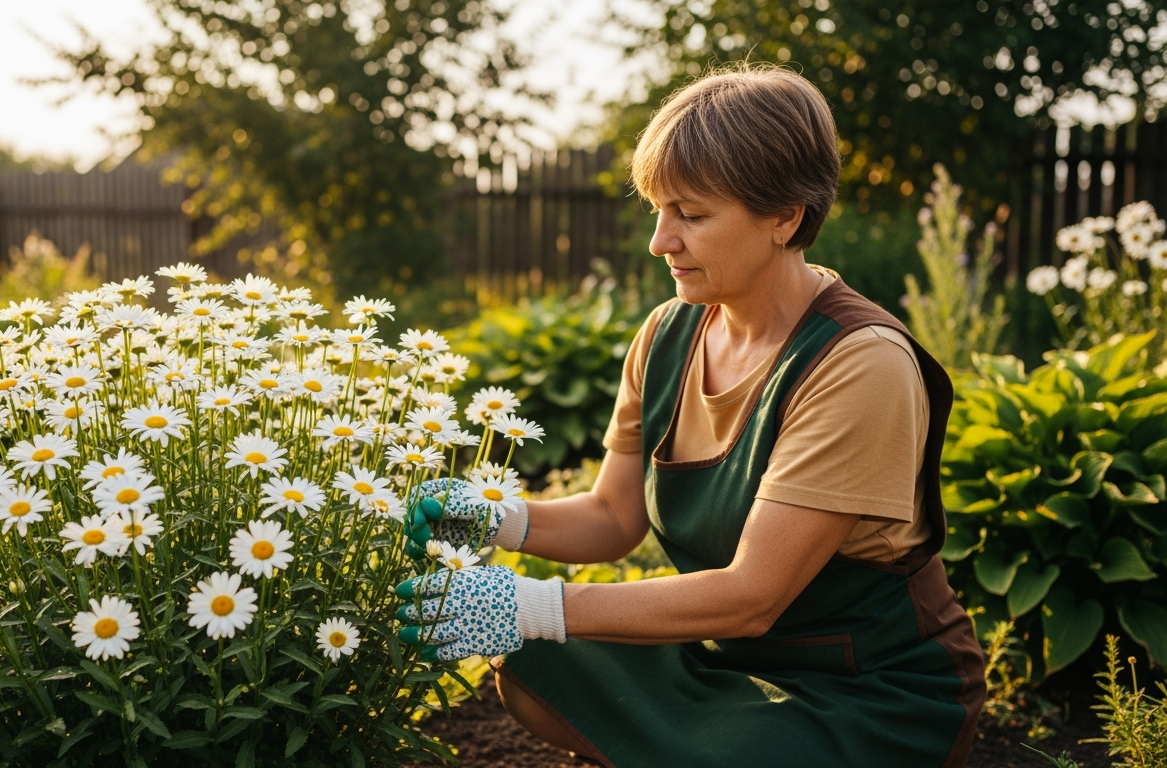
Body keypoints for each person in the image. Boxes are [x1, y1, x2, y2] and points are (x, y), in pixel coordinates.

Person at [395, 61, 986, 767]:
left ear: (785, 217)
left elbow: (751, 598)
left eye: (692, 215)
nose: (660, 241)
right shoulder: (670, 333)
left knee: (566, 644)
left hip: (871, 694)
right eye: (658, 210)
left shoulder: (859, 363)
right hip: (735, 666)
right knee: (533, 666)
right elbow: (615, 519)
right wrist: (502, 517)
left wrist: (531, 601)